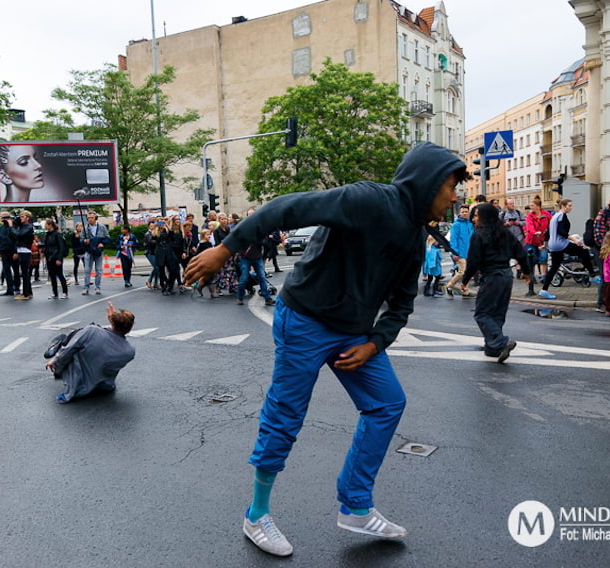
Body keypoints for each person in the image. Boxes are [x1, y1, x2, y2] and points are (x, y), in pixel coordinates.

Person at [184, 141, 468, 557]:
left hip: (354, 334)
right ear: (427, 183)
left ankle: (355, 504)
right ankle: (256, 514)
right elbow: (285, 208)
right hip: (305, 319)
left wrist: (374, 344)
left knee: (387, 403)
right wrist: (225, 249)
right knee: (285, 416)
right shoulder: (367, 200)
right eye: (450, 186)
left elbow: (402, 304)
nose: (455, 196)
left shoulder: (415, 235)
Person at [460, 203, 531, 362]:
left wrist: (465, 281)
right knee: (497, 314)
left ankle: (500, 342)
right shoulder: (504, 232)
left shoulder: (479, 235)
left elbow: (474, 261)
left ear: (485, 217)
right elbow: (521, 253)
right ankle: (493, 349)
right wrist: (527, 272)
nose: (474, 218)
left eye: (477, 215)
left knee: (482, 313)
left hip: (492, 276)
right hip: (507, 276)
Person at [46, 301, 136, 403]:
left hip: (78, 385)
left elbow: (68, 350)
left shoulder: (92, 331)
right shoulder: (130, 351)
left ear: (112, 321)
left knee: (75, 339)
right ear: (129, 329)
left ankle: (56, 347)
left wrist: (56, 362)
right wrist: (113, 319)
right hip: (105, 386)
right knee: (86, 343)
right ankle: (58, 346)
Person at [538, 199, 597, 300]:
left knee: (554, 267)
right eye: (569, 206)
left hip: (553, 245)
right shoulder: (562, 215)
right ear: (563, 206)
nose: (571, 207)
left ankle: (544, 290)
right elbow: (561, 231)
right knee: (583, 251)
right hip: (560, 244)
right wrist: (574, 239)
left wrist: (545, 244)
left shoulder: (554, 216)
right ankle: (592, 275)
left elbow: (548, 232)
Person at [236, 209, 274, 307]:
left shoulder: (260, 227)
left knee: (262, 277)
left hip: (257, 256)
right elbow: (238, 240)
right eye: (250, 215)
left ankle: (267, 298)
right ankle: (240, 296)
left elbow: (264, 242)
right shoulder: (242, 226)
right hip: (245, 257)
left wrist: (257, 239)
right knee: (244, 278)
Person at [523, 198, 551, 295]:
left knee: (543, 258)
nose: (531, 208)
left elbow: (550, 225)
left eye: (532, 206)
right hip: (531, 240)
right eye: (530, 206)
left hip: (542, 240)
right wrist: (534, 232)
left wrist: (548, 233)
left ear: (538, 206)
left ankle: (544, 278)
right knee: (532, 260)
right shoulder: (529, 216)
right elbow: (529, 226)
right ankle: (532, 278)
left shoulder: (546, 214)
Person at [445, 204, 474, 297]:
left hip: (469, 252)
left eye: (466, 211)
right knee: (462, 272)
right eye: (463, 212)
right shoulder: (456, 225)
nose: (465, 213)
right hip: (460, 252)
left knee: (467, 273)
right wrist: (455, 253)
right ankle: (450, 285)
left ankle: (465, 290)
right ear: (459, 213)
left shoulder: (470, 224)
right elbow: (453, 240)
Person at [82, 212, 109, 296]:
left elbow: (107, 238)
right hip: (89, 251)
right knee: (87, 270)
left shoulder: (102, 227)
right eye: (88, 217)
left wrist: (103, 243)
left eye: (92, 217)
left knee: (99, 270)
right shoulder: (85, 228)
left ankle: (98, 287)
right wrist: (84, 241)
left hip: (98, 251)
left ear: (96, 218)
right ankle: (86, 288)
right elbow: (81, 239)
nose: (90, 219)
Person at [43, 219, 69, 299]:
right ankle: (55, 293)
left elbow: (61, 247)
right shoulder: (47, 235)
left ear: (50, 225)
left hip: (56, 257)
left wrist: (59, 259)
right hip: (49, 258)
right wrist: (45, 255)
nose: (45, 226)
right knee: (52, 276)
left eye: (46, 225)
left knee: (60, 275)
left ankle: (65, 292)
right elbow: (46, 246)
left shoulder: (58, 235)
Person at [12, 210, 35, 300]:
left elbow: (18, 235)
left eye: (22, 216)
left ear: (27, 218)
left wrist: (12, 227)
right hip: (21, 250)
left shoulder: (28, 227)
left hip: (25, 251)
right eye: (20, 216)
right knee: (25, 273)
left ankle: (26, 293)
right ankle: (28, 292)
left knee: (25, 274)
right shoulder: (22, 226)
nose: (20, 218)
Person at [0, 211, 19, 296]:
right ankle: (9, 288)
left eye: (2, 217)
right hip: (4, 251)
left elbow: (16, 239)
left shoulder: (14, 227)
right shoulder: (0, 229)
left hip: (12, 251)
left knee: (16, 270)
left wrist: (16, 251)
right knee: (6, 270)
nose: (1, 219)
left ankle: (16, 287)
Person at [143, 221, 160, 289]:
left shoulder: (156, 233)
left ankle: (155, 283)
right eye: (151, 226)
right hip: (150, 252)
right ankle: (150, 281)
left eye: (154, 226)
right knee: (156, 267)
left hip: (155, 252)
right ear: (149, 227)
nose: (153, 227)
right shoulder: (148, 234)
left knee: (157, 267)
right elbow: (150, 242)